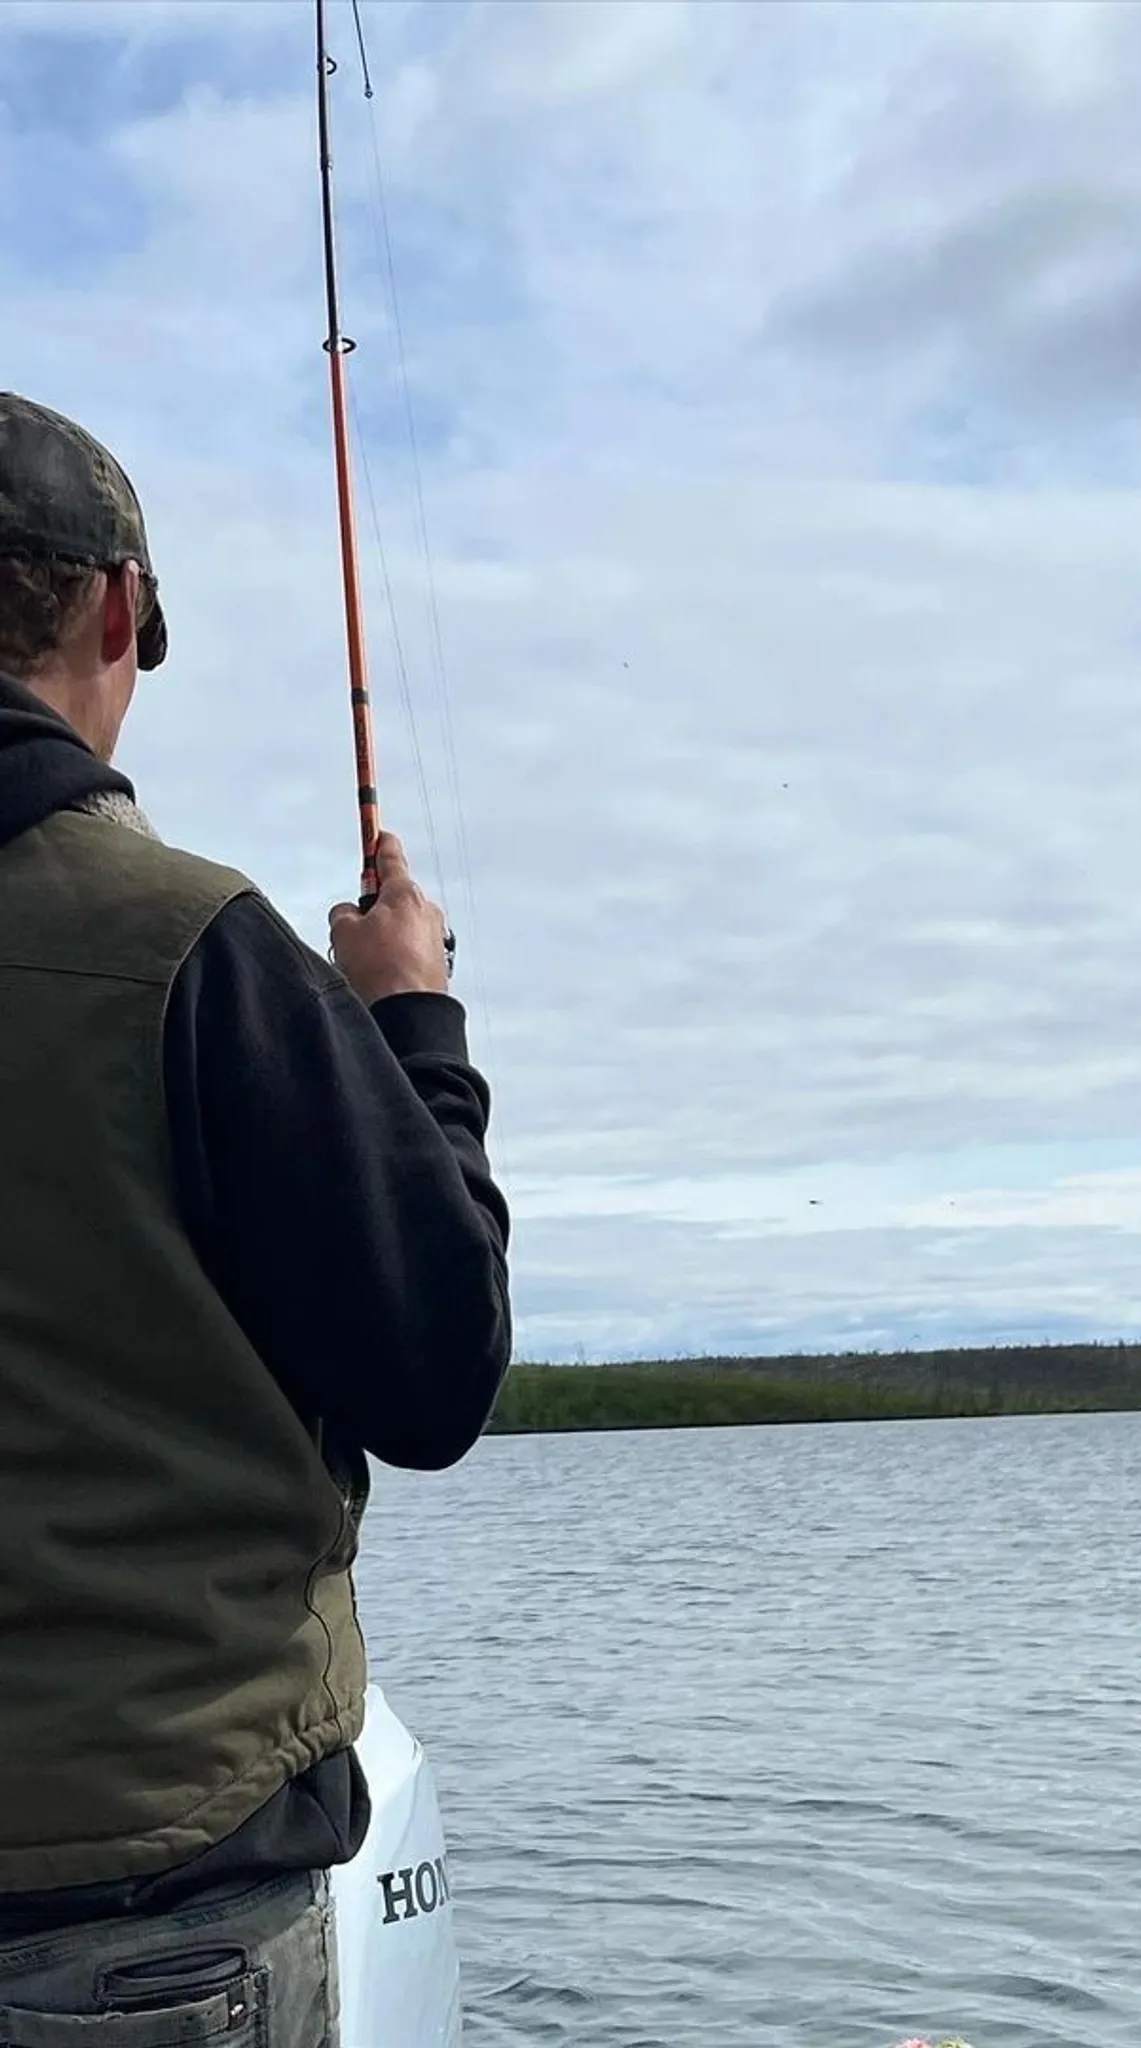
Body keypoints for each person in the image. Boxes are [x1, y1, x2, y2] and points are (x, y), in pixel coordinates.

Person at [0, 390, 512, 2041]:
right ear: (117, 610)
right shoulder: (190, 946)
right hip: (145, 1919)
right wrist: (411, 1027)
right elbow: (437, 1370)